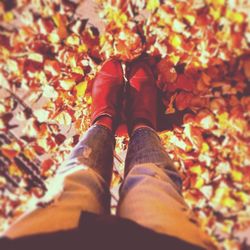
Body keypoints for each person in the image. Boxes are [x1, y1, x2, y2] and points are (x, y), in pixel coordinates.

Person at [0, 59, 215, 250]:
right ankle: (142, 121)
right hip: (166, 241)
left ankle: (104, 119)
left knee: (77, 180)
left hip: (43, 240)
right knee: (153, 184)